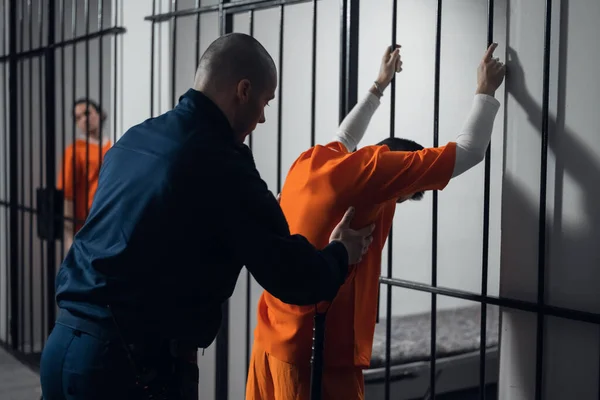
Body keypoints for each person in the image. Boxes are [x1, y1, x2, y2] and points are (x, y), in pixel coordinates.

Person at [39, 33, 375, 400]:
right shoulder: (221, 163)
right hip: (126, 367)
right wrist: (341, 252)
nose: (262, 118)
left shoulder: (136, 138)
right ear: (243, 90)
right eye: (266, 102)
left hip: (62, 346)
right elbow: (290, 275)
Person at [245, 43, 506, 400]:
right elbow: (471, 151)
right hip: (317, 359)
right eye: (399, 196)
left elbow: (345, 136)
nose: (394, 203)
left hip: (269, 344)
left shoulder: (316, 160)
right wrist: (486, 90)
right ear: (396, 175)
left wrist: (379, 84)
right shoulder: (376, 175)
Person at [57, 99, 112, 253]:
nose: (84, 119)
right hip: (85, 224)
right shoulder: (74, 151)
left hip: (110, 221)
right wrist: (69, 236)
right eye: (78, 117)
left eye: (87, 113)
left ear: (100, 114)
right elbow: (67, 195)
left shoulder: (113, 145)